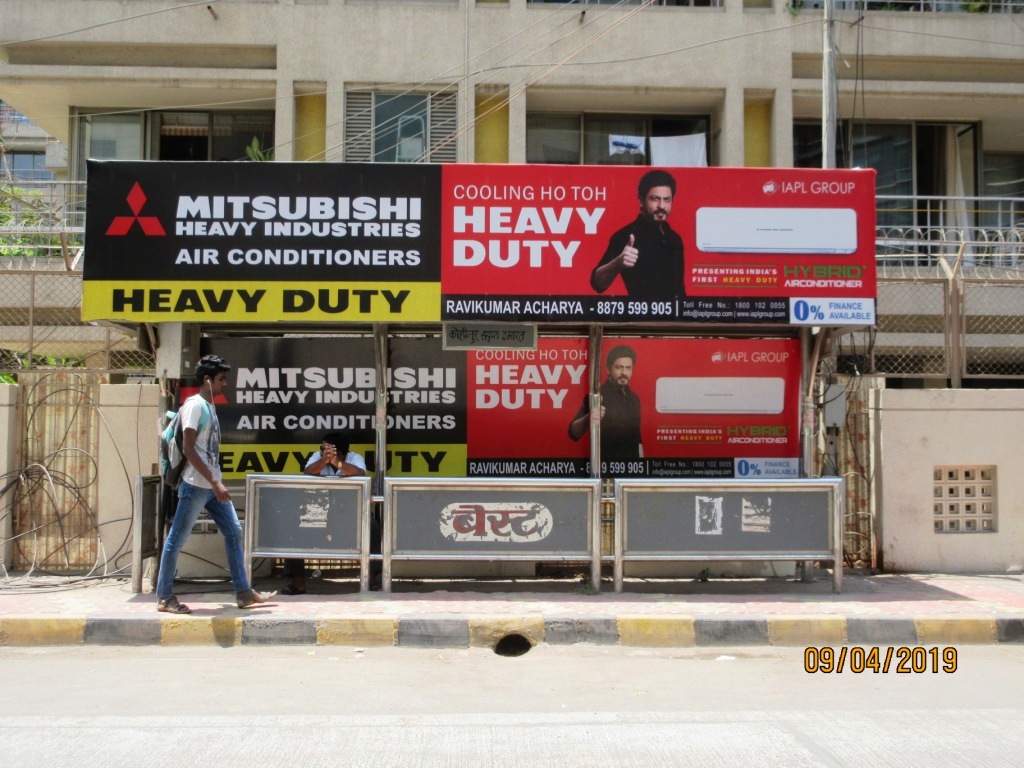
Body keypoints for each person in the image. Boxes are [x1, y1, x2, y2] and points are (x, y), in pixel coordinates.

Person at [156, 354, 274, 613]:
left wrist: (215, 481)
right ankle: (165, 596)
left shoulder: (210, 407)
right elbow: (188, 448)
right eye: (221, 379)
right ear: (207, 380)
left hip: (210, 485)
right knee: (177, 538)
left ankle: (243, 592)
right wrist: (214, 481)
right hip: (196, 485)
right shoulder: (195, 405)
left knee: (234, 531)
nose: (225, 384)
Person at [280, 432, 367, 595]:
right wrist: (324, 461)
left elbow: (361, 473)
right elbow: (308, 472)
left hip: (349, 515)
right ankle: (298, 584)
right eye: (322, 448)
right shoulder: (317, 457)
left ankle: (373, 581)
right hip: (318, 514)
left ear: (339, 452)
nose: (322, 451)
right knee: (293, 529)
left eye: (326, 449)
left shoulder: (354, 458)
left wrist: (338, 463)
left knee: (374, 528)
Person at [590, 169, 684, 302]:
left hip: (677, 319)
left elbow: (679, 288)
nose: (661, 205)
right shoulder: (626, 236)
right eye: (655, 199)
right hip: (642, 320)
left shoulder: (674, 238)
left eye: (667, 200)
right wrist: (618, 263)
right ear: (641, 201)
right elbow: (597, 283)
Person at [568, 344, 643, 462]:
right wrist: (590, 417)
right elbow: (573, 432)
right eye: (619, 367)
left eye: (628, 368)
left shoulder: (634, 399)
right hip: (605, 470)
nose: (624, 372)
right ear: (608, 368)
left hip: (631, 472)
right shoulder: (598, 396)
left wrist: (642, 469)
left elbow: (638, 440)